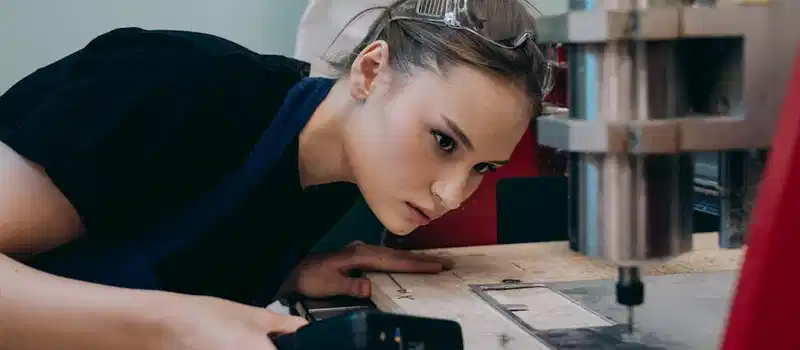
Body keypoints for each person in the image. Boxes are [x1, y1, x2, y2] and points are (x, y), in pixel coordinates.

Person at [0, 0, 551, 349]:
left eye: (482, 166)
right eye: (443, 141)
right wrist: (175, 325)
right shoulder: (174, 85)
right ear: (370, 70)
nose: (452, 194)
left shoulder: (335, 183)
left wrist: (280, 275)